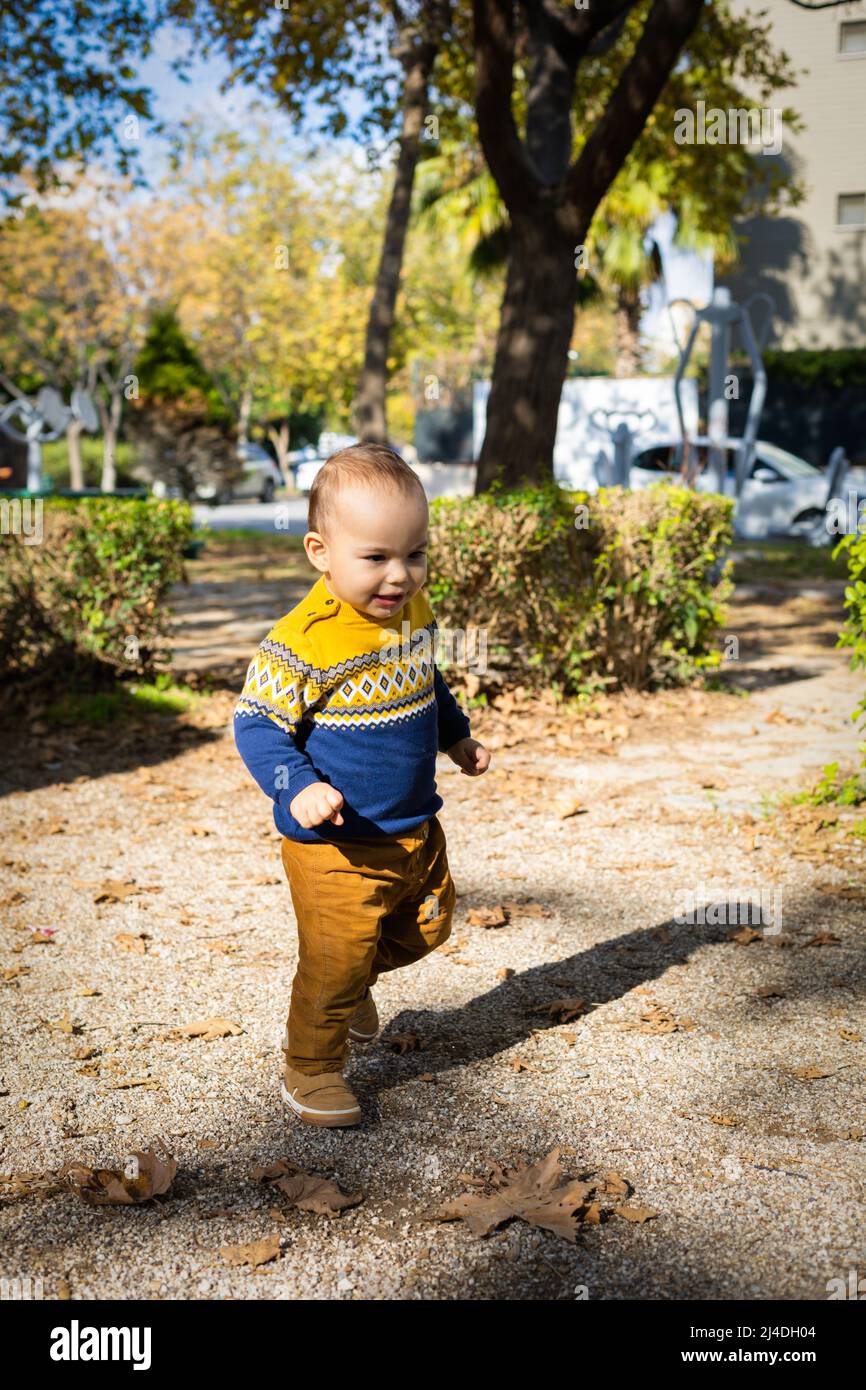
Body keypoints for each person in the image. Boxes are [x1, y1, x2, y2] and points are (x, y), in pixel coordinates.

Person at [234, 442, 491, 1127]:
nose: (399, 575)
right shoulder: (301, 642)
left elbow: (426, 684)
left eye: (415, 554)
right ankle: (311, 1067)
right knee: (332, 960)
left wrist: (456, 735)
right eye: (376, 557)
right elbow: (257, 727)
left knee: (429, 926)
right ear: (319, 550)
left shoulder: (410, 614)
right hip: (336, 846)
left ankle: (352, 988)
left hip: (411, 827)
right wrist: (296, 787)